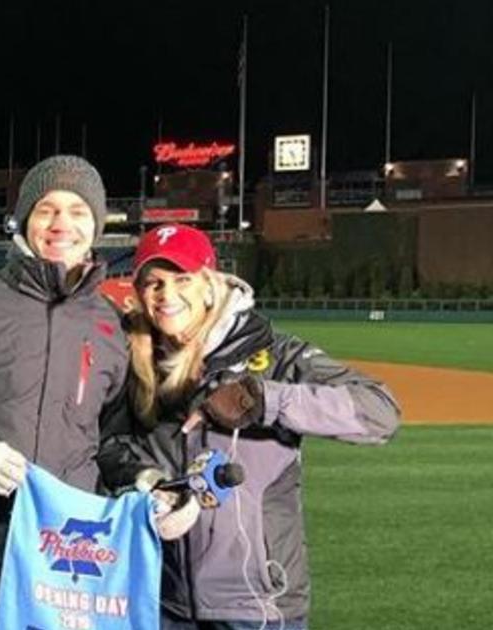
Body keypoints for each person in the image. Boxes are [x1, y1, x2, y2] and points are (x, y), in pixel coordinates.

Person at [0, 156, 198, 630]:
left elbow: (108, 443)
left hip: (68, 569)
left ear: (96, 225)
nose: (61, 223)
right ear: (26, 219)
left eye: (78, 211)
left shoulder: (109, 327)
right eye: (47, 209)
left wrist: (146, 480)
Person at [98, 223, 401, 630]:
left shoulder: (276, 356)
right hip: (163, 602)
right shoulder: (136, 362)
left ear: (210, 285)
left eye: (181, 279)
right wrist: (148, 482)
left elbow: (379, 411)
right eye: (153, 283)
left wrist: (262, 400)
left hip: (258, 608)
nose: (166, 294)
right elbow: (112, 446)